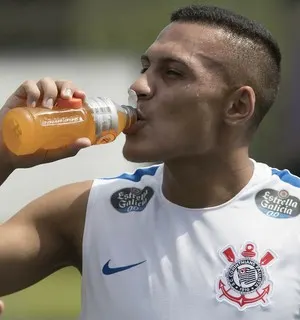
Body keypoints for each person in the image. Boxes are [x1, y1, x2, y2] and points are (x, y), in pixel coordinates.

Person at [0, 4, 296, 319]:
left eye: (172, 72)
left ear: (237, 106)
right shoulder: (87, 210)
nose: (138, 86)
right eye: (145, 67)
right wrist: (2, 153)